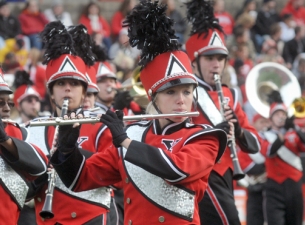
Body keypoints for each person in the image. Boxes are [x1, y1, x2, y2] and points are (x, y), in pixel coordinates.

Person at [51, 1, 228, 224]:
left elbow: (175, 170)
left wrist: (125, 142)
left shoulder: (205, 136)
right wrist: (67, 151)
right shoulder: (135, 134)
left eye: (187, 91)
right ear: (153, 97)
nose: (181, 100)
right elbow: (81, 179)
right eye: (171, 92)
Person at [24, 21, 113, 225]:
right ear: (51, 92)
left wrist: (67, 156)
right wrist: (39, 176)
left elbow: (113, 174)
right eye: (61, 84)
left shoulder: (99, 126)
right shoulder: (34, 129)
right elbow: (20, 190)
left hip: (93, 219)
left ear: (83, 92)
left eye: (74, 84)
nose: (67, 89)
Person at [185, 1, 261, 224]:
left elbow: (254, 144)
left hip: (228, 175)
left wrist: (237, 129)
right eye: (209, 58)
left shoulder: (232, 95)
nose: (216, 64)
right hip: (201, 173)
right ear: (195, 62)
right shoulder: (184, 94)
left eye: (220, 58)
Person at [0, 68, 48, 224]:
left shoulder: (14, 131)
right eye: (0, 103)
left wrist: (5, 140)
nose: (7, 108)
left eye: (9, 103)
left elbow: (40, 164)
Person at [260, 90, 305, 225]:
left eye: (283, 114)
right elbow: (269, 151)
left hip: (294, 185)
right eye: (277, 114)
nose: (281, 117)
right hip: (274, 186)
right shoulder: (264, 135)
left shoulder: (294, 133)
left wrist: (295, 128)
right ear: (270, 118)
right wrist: (281, 137)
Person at [238, 113, 270, 225]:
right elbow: (251, 169)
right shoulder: (246, 146)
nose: (265, 125)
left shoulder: (271, 140)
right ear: (254, 124)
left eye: (267, 122)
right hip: (256, 189)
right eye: (261, 122)